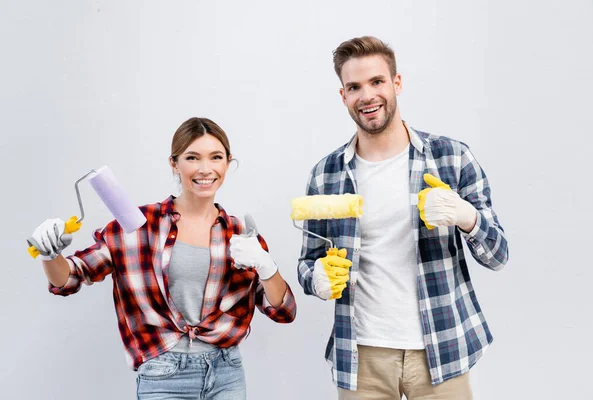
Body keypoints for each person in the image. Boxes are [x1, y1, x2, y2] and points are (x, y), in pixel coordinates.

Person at [297, 36, 508, 399]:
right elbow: (307, 262)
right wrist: (316, 279)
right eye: (354, 87)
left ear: (396, 83)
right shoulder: (326, 174)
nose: (367, 96)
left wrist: (466, 216)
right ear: (343, 96)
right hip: (362, 354)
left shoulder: (451, 157)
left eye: (377, 82)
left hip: (442, 348)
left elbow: (498, 255)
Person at [29, 117, 297, 399]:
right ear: (174, 163)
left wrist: (266, 266)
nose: (205, 169)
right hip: (163, 374)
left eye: (216, 157)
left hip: (227, 373)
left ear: (227, 163)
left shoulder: (241, 232)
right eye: (192, 157)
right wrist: (50, 253)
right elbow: (69, 278)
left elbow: (283, 310)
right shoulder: (136, 226)